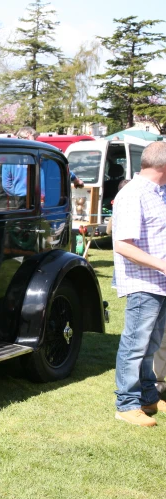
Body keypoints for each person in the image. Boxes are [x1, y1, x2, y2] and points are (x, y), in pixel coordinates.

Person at [111, 141, 166, 427]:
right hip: (144, 283)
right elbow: (123, 245)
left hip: (160, 284)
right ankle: (126, 404)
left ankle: (147, 398)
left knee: (150, 343)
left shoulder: (158, 192)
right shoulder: (134, 194)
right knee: (135, 345)